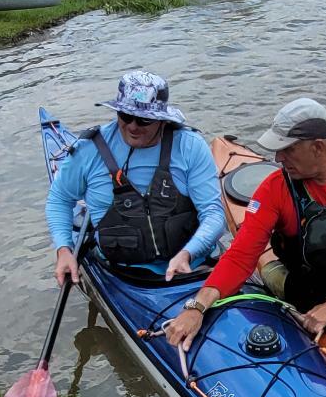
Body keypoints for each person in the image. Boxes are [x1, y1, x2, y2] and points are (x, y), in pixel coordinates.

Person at [166, 97, 326, 349]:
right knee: (268, 271)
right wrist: (196, 307)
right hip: (306, 284)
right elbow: (239, 258)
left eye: (288, 149)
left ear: (317, 147)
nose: (278, 158)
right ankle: (270, 267)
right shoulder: (273, 190)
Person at [46, 70, 226, 288]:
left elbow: (213, 213)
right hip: (121, 271)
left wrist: (189, 252)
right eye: (125, 116)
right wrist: (64, 249)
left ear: (162, 119)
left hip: (193, 266)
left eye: (144, 120)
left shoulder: (190, 146)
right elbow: (60, 199)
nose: (132, 126)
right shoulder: (88, 149)